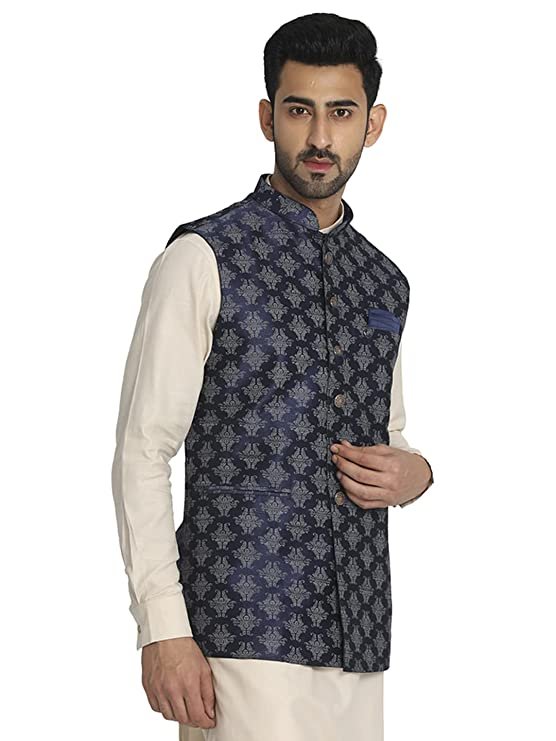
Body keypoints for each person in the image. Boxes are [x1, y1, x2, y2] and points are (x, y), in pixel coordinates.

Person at [111, 12, 434, 741]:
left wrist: (416, 475)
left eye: (341, 113)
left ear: (373, 124)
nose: (320, 137)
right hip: (239, 631)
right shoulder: (203, 257)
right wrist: (163, 626)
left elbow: (391, 437)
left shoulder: (384, 281)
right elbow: (142, 449)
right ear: (267, 118)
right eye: (299, 111)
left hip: (359, 638)